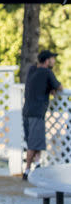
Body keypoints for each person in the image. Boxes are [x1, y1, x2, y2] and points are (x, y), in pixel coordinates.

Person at [22, 50, 62, 180]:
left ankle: (38, 165)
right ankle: (27, 171)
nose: (53, 61)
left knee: (35, 141)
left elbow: (37, 85)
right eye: (52, 59)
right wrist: (53, 88)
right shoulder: (47, 72)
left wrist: (48, 87)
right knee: (34, 144)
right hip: (37, 113)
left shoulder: (32, 70)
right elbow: (59, 87)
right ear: (47, 61)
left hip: (26, 111)